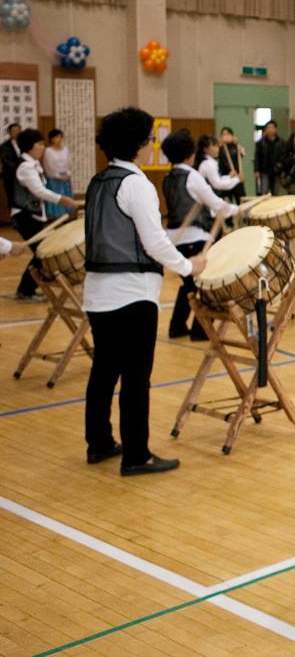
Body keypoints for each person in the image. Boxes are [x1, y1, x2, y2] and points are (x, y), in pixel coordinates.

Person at [83, 107, 205, 476]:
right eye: (148, 139)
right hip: (132, 294)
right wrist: (188, 266)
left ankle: (100, 442)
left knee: (104, 371)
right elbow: (152, 242)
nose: (150, 144)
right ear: (137, 144)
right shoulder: (136, 185)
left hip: (98, 293)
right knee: (136, 376)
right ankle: (136, 454)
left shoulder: (98, 181)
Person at [160, 130, 237, 341]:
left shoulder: (167, 178)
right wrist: (238, 210)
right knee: (206, 284)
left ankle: (177, 327)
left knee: (189, 285)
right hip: (195, 236)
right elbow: (216, 203)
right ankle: (200, 330)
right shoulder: (192, 176)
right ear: (190, 154)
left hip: (176, 238)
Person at [11, 129, 78, 299]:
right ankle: (25, 290)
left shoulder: (33, 164)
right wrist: (63, 200)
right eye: (39, 144)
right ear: (29, 147)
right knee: (41, 253)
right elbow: (39, 191)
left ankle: (29, 289)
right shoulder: (25, 167)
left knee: (41, 253)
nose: (42, 147)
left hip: (33, 214)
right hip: (23, 215)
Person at [42, 128, 74, 219]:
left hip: (65, 178)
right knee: (56, 197)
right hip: (54, 179)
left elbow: (69, 163)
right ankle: (56, 218)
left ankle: (67, 216)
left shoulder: (65, 149)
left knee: (66, 197)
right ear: (51, 138)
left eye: (60, 137)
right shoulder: (48, 150)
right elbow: (48, 166)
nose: (59, 139)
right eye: (56, 137)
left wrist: (68, 174)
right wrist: (57, 176)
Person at [254, 120, 287, 195]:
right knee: (264, 191)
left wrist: (281, 167)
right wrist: (256, 170)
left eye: (272, 127)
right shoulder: (260, 143)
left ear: (275, 129)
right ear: (266, 129)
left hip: (276, 171)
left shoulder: (281, 142)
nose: (271, 129)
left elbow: (283, 156)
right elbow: (257, 157)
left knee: (275, 192)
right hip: (264, 170)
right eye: (269, 128)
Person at [217, 127, 246, 203]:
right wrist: (219, 144)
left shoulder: (236, 146)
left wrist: (237, 144)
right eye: (223, 134)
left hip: (237, 176)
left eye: (228, 134)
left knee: (241, 200)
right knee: (227, 201)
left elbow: (242, 154)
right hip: (226, 177)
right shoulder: (219, 148)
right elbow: (216, 156)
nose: (225, 136)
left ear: (232, 135)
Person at [1, 122, 22, 209]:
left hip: (24, 176)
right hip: (11, 177)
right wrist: (19, 168)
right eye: (14, 131)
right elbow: (6, 161)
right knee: (12, 199)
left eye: (18, 130)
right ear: (9, 132)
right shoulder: (4, 146)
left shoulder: (25, 144)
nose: (16, 132)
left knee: (24, 199)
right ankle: (14, 221)